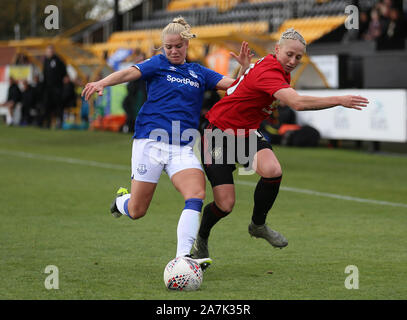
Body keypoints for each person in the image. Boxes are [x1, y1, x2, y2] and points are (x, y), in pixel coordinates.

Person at [81, 17, 253, 268]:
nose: (173, 51)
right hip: (150, 143)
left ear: (186, 46)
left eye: (178, 46)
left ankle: (184, 257)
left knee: (196, 193)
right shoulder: (158, 64)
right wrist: (101, 82)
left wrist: (244, 69)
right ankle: (121, 201)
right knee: (137, 210)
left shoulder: (199, 72)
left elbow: (235, 89)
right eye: (168, 47)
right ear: (162, 47)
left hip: (182, 147)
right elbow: (130, 72)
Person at [192, 28, 369, 260]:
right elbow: (296, 103)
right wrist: (340, 99)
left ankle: (258, 225)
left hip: (245, 133)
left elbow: (238, 89)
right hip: (217, 134)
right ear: (277, 50)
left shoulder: (274, 66)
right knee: (225, 205)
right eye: (289, 54)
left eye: (298, 57)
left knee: (273, 170)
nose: (293, 61)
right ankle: (202, 238)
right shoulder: (269, 70)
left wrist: (244, 69)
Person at [41, 44, 67, 128]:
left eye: (51, 51)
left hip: (57, 87)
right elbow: (44, 74)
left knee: (58, 105)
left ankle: (59, 122)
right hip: (48, 88)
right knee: (47, 105)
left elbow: (64, 71)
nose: (49, 53)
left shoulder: (58, 60)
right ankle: (47, 123)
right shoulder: (45, 61)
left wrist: (63, 79)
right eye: (48, 51)